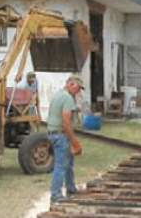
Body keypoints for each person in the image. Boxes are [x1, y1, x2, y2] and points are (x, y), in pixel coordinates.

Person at [47, 74, 84, 203]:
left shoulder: (58, 94)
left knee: (68, 163)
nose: (78, 91)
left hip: (53, 133)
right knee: (61, 165)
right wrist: (75, 142)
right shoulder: (67, 98)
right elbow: (66, 124)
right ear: (71, 84)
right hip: (61, 135)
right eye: (78, 88)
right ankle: (56, 194)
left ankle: (71, 188)